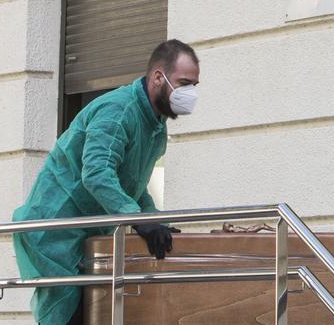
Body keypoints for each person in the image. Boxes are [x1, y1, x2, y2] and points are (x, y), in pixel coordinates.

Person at [12, 40, 200, 325]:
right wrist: (138, 220)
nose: (190, 93)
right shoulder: (118, 111)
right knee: (68, 313)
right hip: (58, 230)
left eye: (194, 85)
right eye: (184, 83)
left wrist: (154, 220)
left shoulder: (154, 126)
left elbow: (135, 185)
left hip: (86, 234)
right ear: (159, 77)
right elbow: (96, 174)